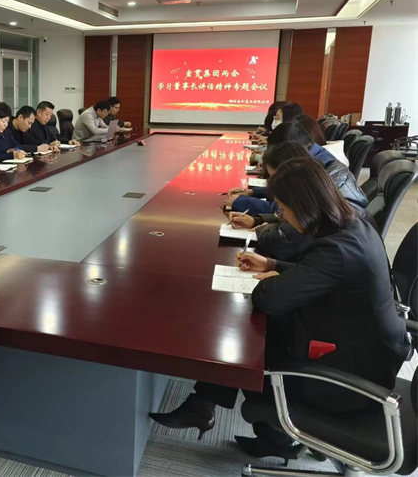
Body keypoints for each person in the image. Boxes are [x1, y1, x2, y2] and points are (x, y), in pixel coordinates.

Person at [152, 158, 410, 462]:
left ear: (304, 206)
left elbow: (268, 298)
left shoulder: (336, 249)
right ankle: (214, 411)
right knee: (259, 332)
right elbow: (322, 275)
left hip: (346, 381)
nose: (284, 218)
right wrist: (272, 265)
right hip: (366, 352)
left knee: (250, 345)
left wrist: (270, 280)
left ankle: (265, 430)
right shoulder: (351, 224)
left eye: (285, 211)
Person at [227, 122, 367, 216]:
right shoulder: (316, 157)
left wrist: (242, 202)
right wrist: (254, 192)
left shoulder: (319, 170)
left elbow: (291, 211)